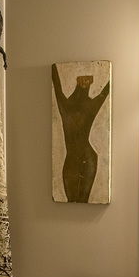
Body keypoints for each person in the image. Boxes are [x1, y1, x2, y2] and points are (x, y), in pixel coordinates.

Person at [52, 64, 110, 202]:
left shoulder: (72, 105)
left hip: (86, 158)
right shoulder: (68, 105)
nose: (85, 84)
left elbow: (107, 90)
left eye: (87, 81)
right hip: (77, 158)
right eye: (84, 81)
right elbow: (56, 83)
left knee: (81, 200)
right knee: (72, 201)